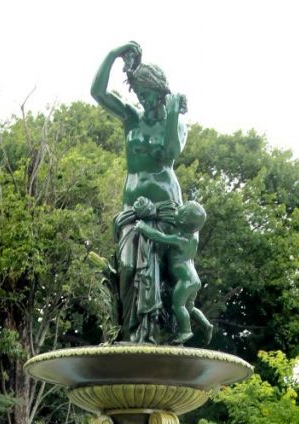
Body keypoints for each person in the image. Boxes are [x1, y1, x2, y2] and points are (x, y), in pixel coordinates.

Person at [91, 42, 198, 344]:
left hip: (165, 206)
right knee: (127, 266)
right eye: (139, 95)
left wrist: (174, 112)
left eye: (148, 95)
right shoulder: (130, 118)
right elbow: (97, 93)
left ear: (161, 92)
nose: (143, 100)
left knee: (163, 274)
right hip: (131, 207)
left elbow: (169, 153)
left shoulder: (175, 123)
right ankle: (129, 332)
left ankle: (154, 334)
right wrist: (112, 55)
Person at [135, 201, 213, 343]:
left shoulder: (180, 239)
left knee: (178, 306)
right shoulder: (194, 236)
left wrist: (143, 228)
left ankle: (186, 331)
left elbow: (159, 237)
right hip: (194, 279)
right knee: (190, 307)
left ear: (182, 220)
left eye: (178, 210)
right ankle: (206, 325)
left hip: (185, 281)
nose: (175, 210)